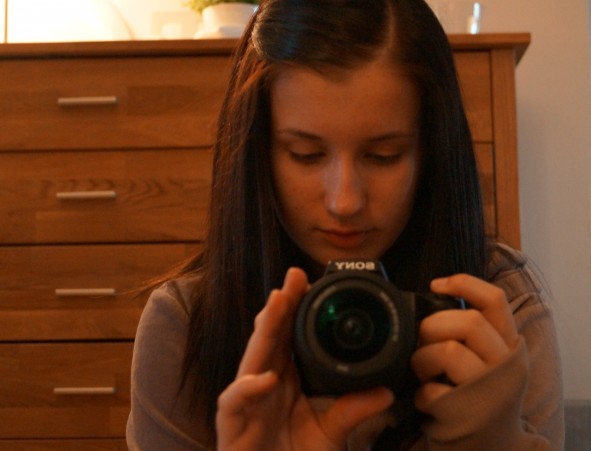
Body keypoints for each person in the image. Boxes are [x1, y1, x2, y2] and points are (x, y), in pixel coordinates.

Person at [126, 0, 564, 449]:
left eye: (383, 156)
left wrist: (497, 440)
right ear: (258, 152)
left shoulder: (499, 306)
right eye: (306, 155)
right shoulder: (186, 323)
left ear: (431, 152)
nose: (345, 201)